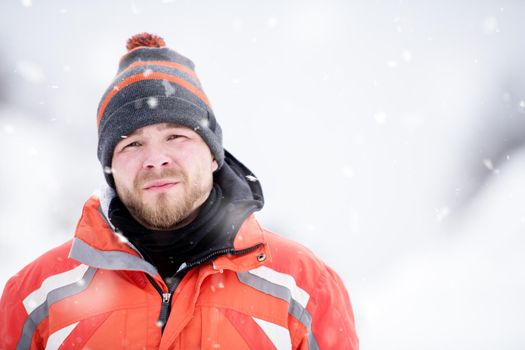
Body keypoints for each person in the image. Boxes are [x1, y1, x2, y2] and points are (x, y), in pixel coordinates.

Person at [0, 33, 358, 349]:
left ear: (214, 156)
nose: (156, 159)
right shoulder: (36, 296)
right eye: (132, 144)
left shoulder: (304, 286)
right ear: (110, 169)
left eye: (176, 136)